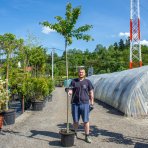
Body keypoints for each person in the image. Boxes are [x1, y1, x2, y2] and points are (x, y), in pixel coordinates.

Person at [68, 68, 94, 143]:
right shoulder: (73, 81)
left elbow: (91, 92)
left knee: (86, 121)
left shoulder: (88, 82)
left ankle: (87, 136)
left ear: (84, 73)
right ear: (78, 73)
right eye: (80, 72)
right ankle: (75, 134)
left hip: (85, 104)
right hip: (75, 104)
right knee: (75, 120)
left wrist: (92, 102)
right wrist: (69, 91)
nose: (81, 73)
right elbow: (70, 89)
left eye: (82, 72)